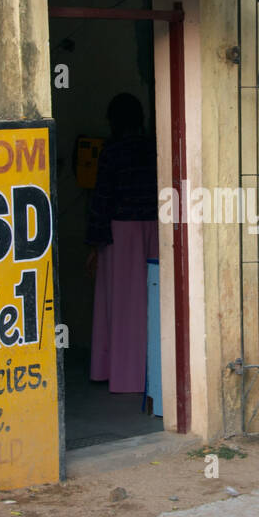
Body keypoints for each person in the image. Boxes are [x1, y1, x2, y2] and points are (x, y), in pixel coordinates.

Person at [87, 93, 159, 393]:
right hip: (154, 229)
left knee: (119, 306)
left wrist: (93, 242)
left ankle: (117, 373)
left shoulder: (112, 151)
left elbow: (102, 197)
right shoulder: (152, 147)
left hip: (120, 233)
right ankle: (149, 373)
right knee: (149, 304)